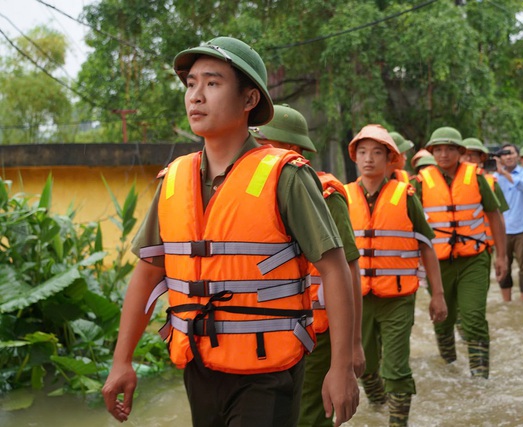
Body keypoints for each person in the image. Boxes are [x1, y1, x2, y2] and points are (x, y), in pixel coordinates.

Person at [101, 36, 359, 427]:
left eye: (213, 83)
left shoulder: (286, 175)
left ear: (249, 99)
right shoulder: (174, 180)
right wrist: (122, 360)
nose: (196, 96)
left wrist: (341, 366)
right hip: (200, 366)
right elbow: (149, 272)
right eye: (191, 84)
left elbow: (336, 270)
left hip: (267, 375)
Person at [249, 104, 366, 427]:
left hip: (318, 329)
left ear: (293, 149)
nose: (254, 152)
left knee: (310, 416)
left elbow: (348, 269)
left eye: (264, 144)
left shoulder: (325, 194)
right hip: (267, 331)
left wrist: (354, 343)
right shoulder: (247, 195)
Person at [345, 124, 447, 427]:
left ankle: (397, 421)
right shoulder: (343, 197)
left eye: (377, 152)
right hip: (357, 297)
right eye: (362, 152)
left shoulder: (406, 195)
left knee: (397, 367)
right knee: (363, 365)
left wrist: (437, 295)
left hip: (399, 298)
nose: (368, 159)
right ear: (354, 157)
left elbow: (427, 246)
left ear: (390, 159)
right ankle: (378, 404)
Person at [412, 126, 507, 379]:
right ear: (432, 152)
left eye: (449, 149)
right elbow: (411, 227)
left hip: (474, 259)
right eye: (438, 149)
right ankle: (450, 367)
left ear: (459, 152)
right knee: (443, 318)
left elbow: (495, 216)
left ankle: (480, 379)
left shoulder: (475, 177)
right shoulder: (420, 183)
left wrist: (502, 255)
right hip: (437, 262)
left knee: (474, 317)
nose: (444, 154)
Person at [495, 144, 523, 302]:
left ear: (518, 156)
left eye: (511, 153)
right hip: (502, 229)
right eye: (504, 154)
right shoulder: (494, 177)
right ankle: (507, 302)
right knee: (503, 266)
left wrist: (503, 173)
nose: (508, 156)